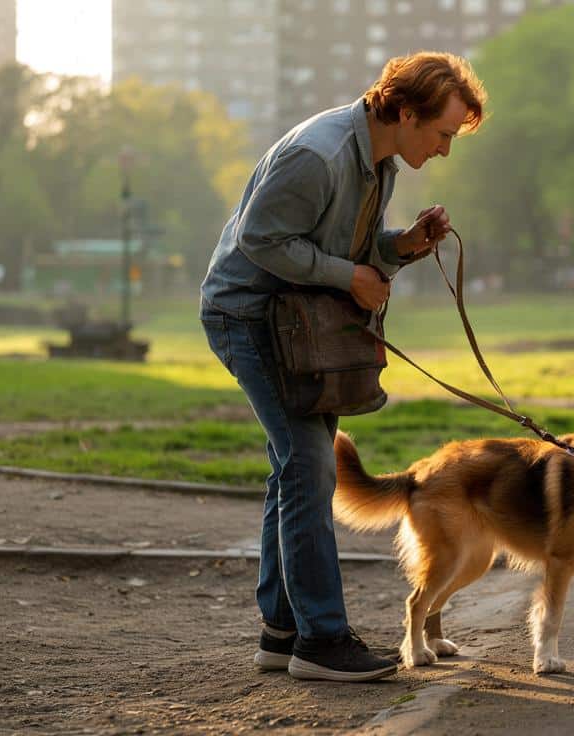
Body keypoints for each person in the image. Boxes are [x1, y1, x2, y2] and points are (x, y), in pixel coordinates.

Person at [199, 52, 486, 682]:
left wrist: (401, 245)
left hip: (299, 324)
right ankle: (322, 641)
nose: (444, 150)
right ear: (405, 113)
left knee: (296, 469)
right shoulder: (319, 154)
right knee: (309, 465)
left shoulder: (377, 160)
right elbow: (260, 240)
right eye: (442, 134)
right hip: (249, 316)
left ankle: (282, 631)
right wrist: (349, 276)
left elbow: (344, 249)